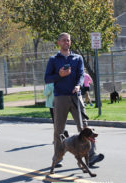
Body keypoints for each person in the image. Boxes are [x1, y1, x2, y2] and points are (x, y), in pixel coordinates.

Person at [44, 32, 104, 168]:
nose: (67, 42)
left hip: (76, 97)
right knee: (59, 129)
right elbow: (47, 78)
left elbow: (81, 75)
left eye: (68, 40)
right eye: (64, 40)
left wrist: (78, 85)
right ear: (58, 42)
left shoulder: (77, 58)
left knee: (84, 126)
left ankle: (91, 155)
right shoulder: (53, 59)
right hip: (60, 98)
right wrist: (59, 75)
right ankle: (57, 157)